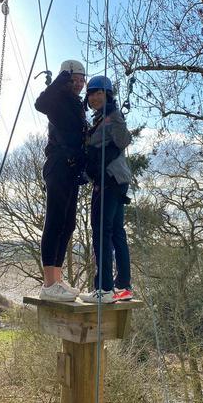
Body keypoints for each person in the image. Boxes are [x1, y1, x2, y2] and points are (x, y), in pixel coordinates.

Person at [34, 60, 88, 302]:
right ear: (65, 79)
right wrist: (59, 79)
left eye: (81, 80)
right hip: (58, 165)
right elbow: (40, 104)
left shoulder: (76, 104)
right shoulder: (58, 100)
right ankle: (49, 284)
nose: (78, 84)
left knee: (68, 224)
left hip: (71, 169)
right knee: (55, 221)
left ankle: (56, 278)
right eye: (74, 79)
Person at [79, 75, 134, 304]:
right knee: (117, 232)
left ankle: (104, 288)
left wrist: (115, 114)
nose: (94, 97)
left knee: (101, 231)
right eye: (91, 94)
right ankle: (123, 286)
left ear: (108, 94)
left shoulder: (111, 116)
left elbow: (122, 140)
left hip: (110, 180)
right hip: (115, 180)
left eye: (99, 93)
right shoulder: (100, 118)